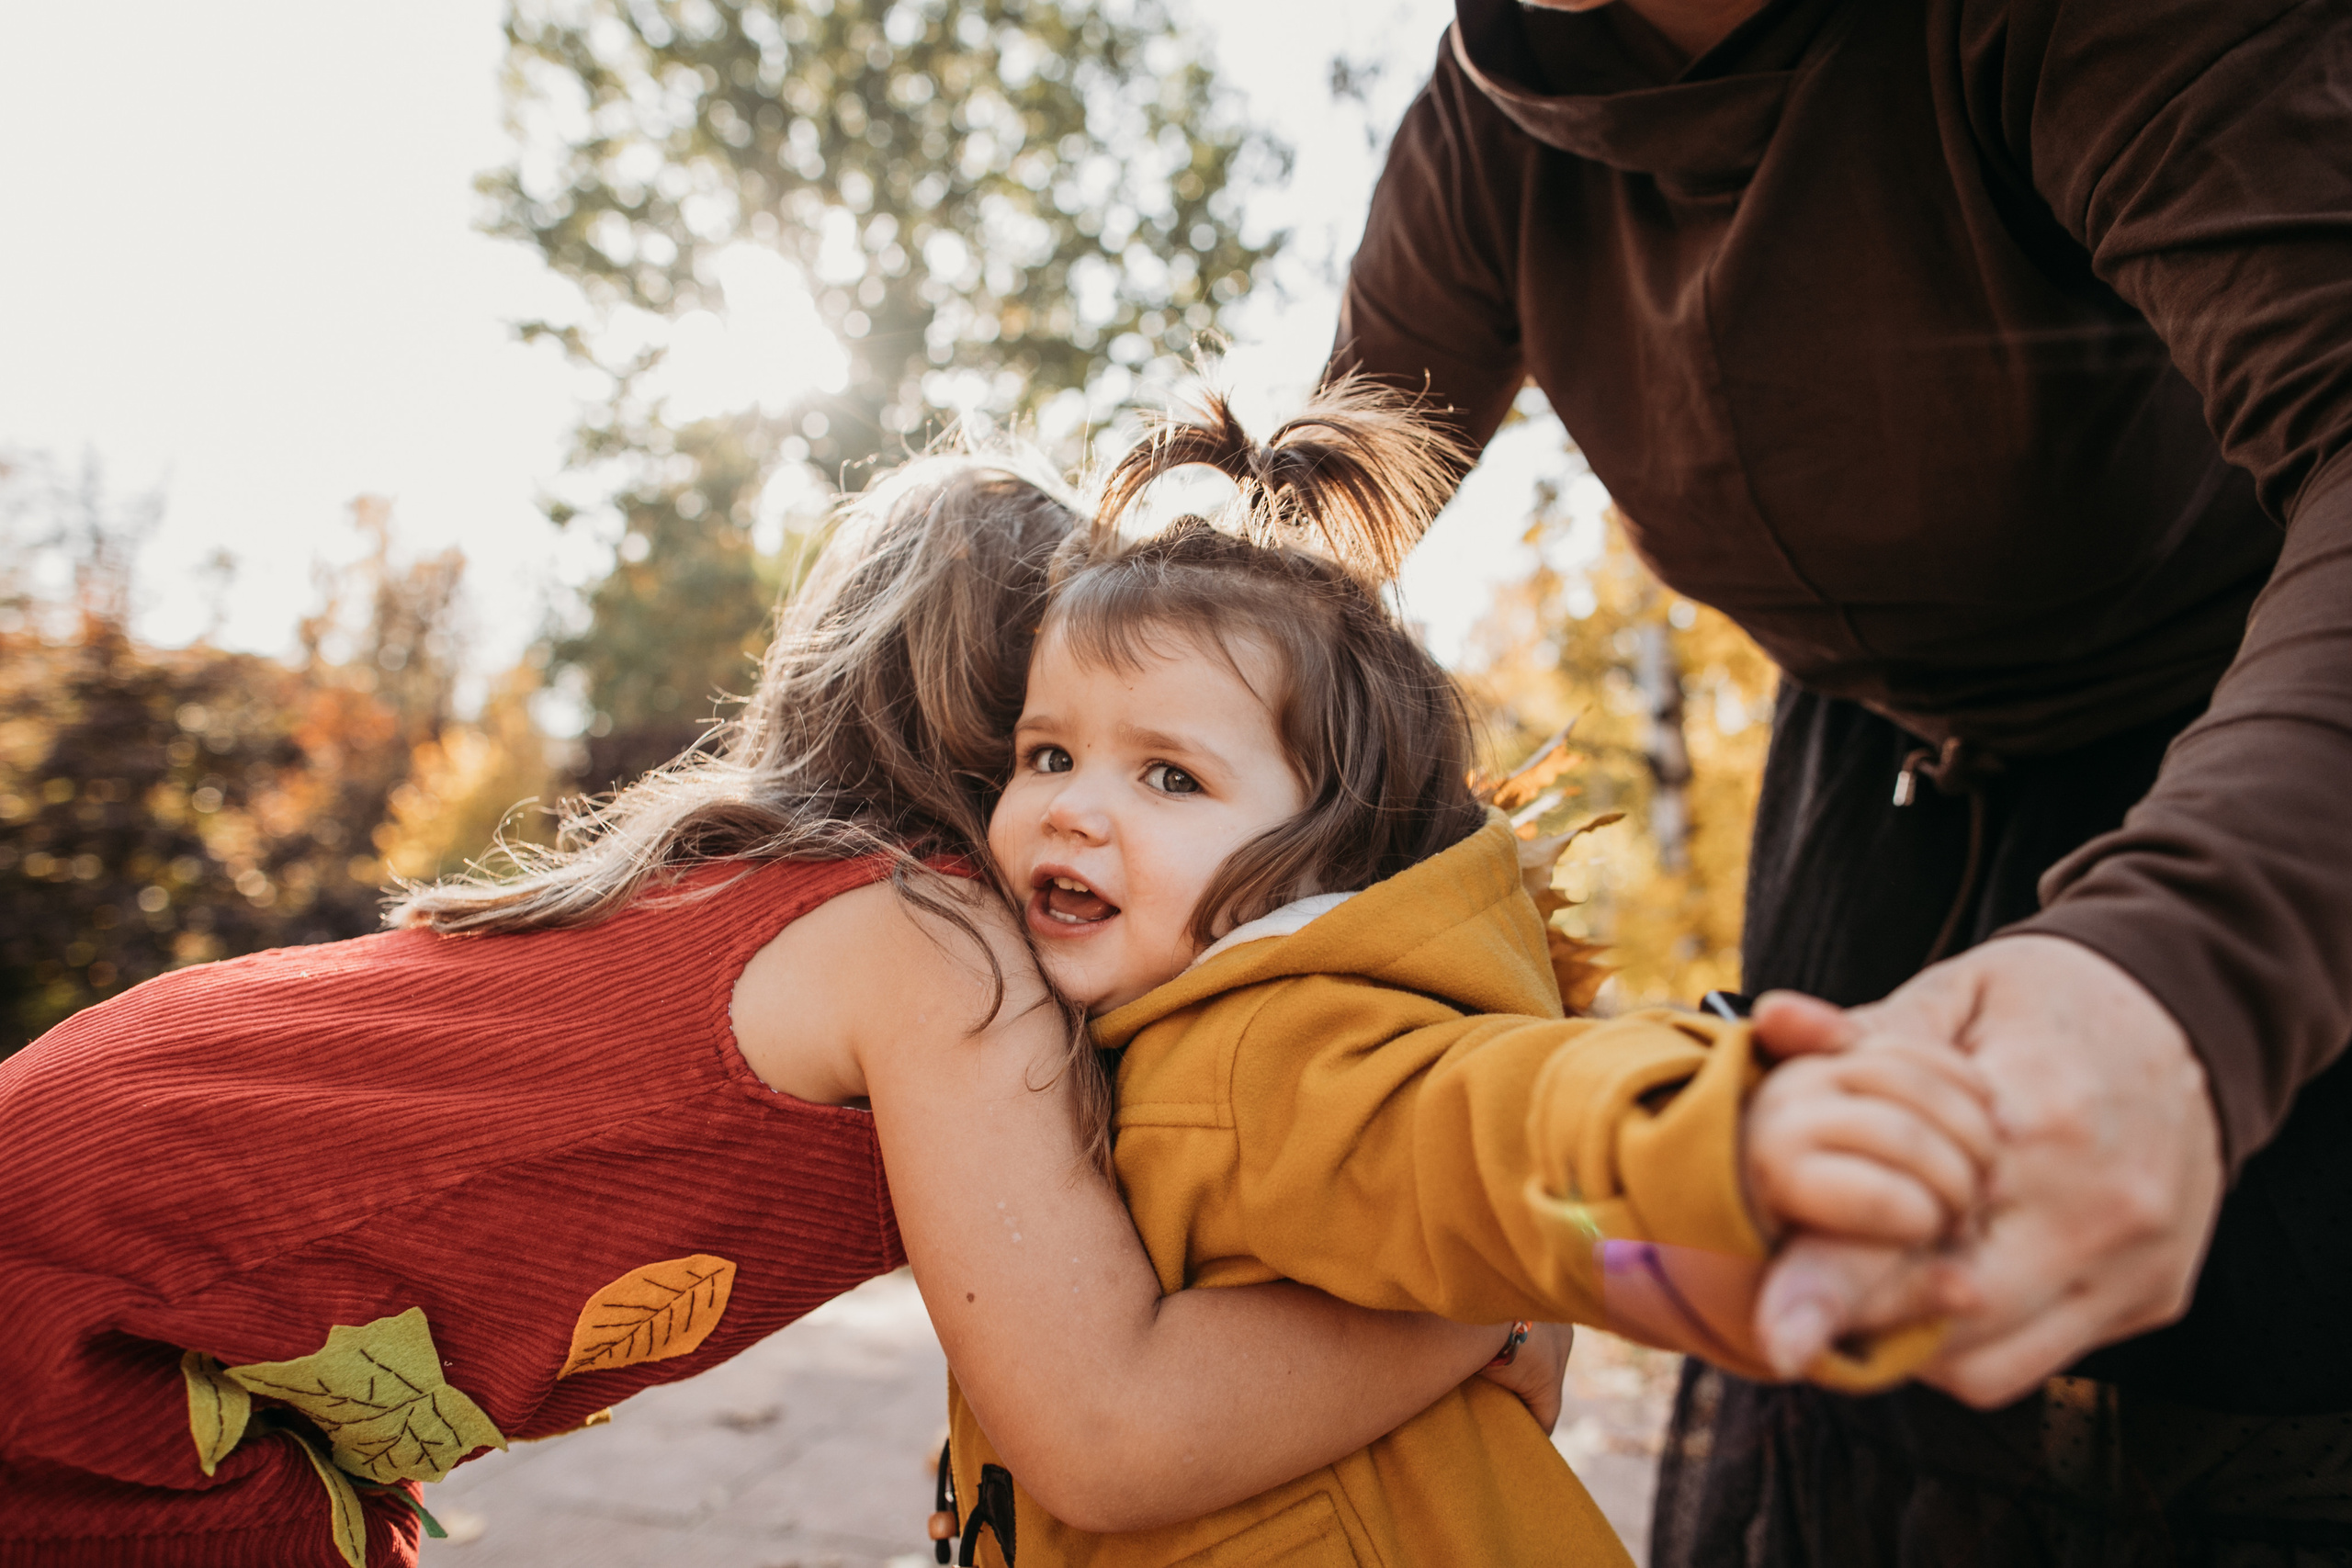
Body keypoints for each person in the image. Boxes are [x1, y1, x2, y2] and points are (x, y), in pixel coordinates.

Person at [0, 450, 1575, 1567]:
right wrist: (1484, 1295)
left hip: (103, 1246)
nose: (1093, 797)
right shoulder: (934, 946)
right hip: (88, 1324)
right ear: (1000, 727)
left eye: (1170, 761)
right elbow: (1105, 1424)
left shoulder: (763, 894)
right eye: (1059, 744)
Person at [1327, 0, 2352, 1560]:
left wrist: (2190, 969)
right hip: (1873, 821)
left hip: (2269, 785)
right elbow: (1288, 570)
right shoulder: (1488, 120)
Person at [939, 388, 1988, 1566]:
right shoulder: (1119, 1033)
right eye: (1048, 753)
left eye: (1170, 777)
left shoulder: (1272, 1048)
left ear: (1322, 859)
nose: (1071, 808)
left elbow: (1484, 1130)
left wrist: (1711, 1134)